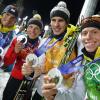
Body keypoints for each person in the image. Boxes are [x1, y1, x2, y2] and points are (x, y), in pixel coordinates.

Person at [22, 1, 78, 100]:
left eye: (60, 20)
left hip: (59, 95)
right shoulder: (46, 41)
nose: (56, 24)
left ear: (67, 23)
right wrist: (30, 70)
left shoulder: (75, 41)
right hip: (40, 91)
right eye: (53, 20)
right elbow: (38, 65)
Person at [42, 15, 100, 100]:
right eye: (84, 33)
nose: (88, 37)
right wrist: (56, 94)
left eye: (94, 32)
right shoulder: (84, 62)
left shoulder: (79, 50)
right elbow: (77, 95)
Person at [2, 14, 44, 100]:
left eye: (36, 28)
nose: (33, 30)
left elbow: (41, 66)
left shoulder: (42, 46)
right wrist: (15, 52)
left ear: (40, 31)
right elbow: (7, 62)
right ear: (27, 28)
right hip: (15, 77)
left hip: (29, 80)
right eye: (31, 27)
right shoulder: (18, 40)